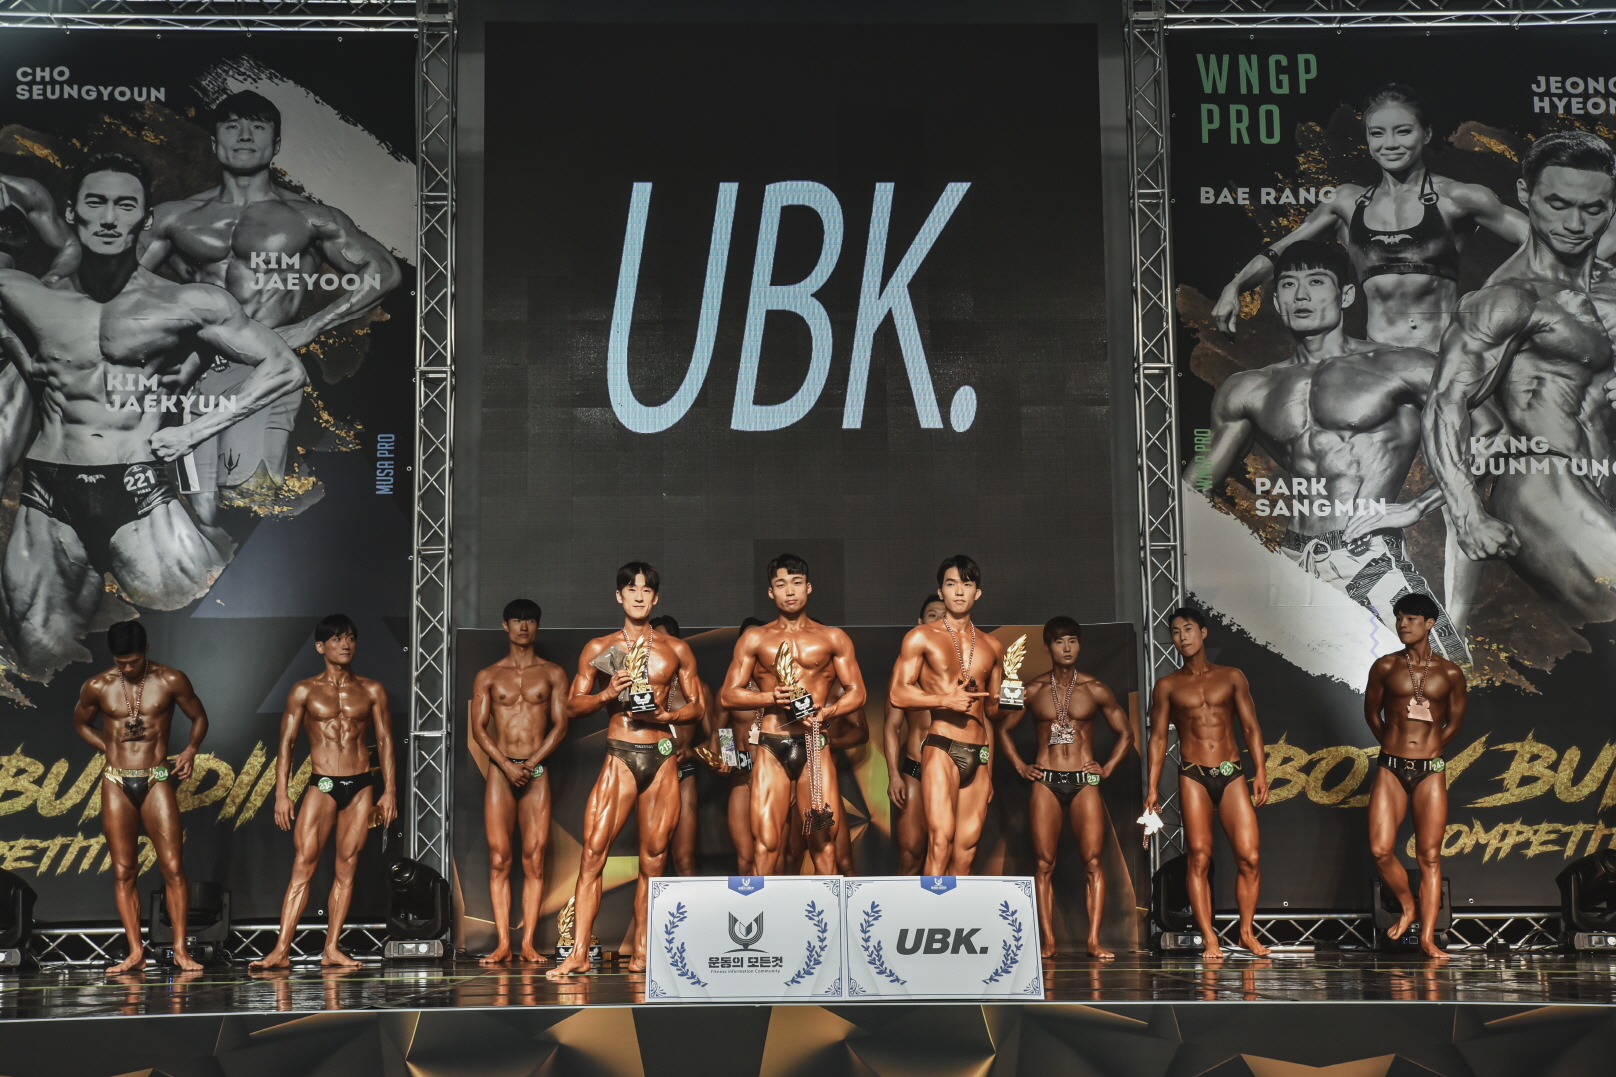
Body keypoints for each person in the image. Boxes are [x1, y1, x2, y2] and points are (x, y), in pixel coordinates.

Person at [0, 152, 307, 678]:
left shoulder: (188, 302)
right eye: (95, 203)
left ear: (144, 219)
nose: (108, 218)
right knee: (36, 653)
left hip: (137, 487)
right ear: (72, 213)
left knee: (203, 629)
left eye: (125, 205)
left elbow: (283, 368)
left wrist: (195, 431)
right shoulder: (22, 294)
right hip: (47, 492)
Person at [1193, 240, 1469, 661]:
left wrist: (1418, 507)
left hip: (1368, 555)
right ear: (1276, 301)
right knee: (1295, 693)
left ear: (1346, 295)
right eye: (1288, 284)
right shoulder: (1248, 388)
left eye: (1316, 282)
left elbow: (1489, 438)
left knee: (1437, 680)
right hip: (1290, 559)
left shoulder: (1402, 366)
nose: (1301, 295)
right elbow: (1196, 482)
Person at [139, 91, 401, 524]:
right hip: (193, 370)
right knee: (200, 509)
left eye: (257, 127)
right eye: (232, 126)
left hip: (264, 368)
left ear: (276, 144)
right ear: (214, 141)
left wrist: (312, 326)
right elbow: (121, 285)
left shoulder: (308, 217)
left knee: (247, 497)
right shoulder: (173, 216)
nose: (245, 136)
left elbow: (384, 271)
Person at [1425, 130, 1616, 625]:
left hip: (1604, 484)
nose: (1574, 223)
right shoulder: (1508, 298)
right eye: (1558, 204)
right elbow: (1446, 401)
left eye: (1593, 209)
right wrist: (1466, 512)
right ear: (1525, 194)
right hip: (1541, 483)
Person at [1212, 83, 1524, 354]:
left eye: (1403, 131)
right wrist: (1235, 285)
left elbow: (1540, 241)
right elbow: (1282, 251)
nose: (1390, 144)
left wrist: (1495, 290)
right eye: (1378, 134)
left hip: (1441, 361)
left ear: (1426, 133)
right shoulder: (1347, 202)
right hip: (1377, 366)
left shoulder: (1458, 197)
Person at [549, 563, 703, 978]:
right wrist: (606, 695)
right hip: (620, 754)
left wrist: (665, 715)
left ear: (656, 598)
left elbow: (699, 707)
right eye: (631, 589)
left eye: (646, 590)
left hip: (662, 756)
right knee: (592, 854)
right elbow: (571, 706)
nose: (638, 596)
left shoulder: (676, 649)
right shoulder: (600, 647)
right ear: (619, 596)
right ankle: (579, 953)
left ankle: (642, 954)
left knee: (654, 859)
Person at [252, 614, 399, 969]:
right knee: (303, 865)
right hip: (325, 783)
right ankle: (280, 951)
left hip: (361, 785)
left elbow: (384, 742)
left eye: (350, 638)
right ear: (321, 647)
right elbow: (286, 744)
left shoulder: (372, 690)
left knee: (347, 867)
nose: (345, 645)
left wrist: (390, 791)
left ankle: (331, 949)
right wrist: (281, 794)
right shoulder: (304, 691)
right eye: (336, 639)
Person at [72, 620, 208, 973]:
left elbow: (199, 717)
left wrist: (191, 749)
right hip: (116, 781)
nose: (128, 668)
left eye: (133, 661)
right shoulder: (98, 685)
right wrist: (109, 747)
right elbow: (81, 724)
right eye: (121, 663)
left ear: (146, 650)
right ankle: (135, 952)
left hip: (156, 777)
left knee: (173, 867)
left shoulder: (170, 679)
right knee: (123, 871)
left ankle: (180, 950)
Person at [720, 554, 868, 876]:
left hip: (815, 745)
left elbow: (858, 691)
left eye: (796, 583)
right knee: (766, 844)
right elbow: (728, 695)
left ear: (808, 587)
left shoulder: (833, 638)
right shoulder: (755, 638)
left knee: (823, 844)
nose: (789, 591)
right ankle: (761, 909)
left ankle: (826, 910)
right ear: (770, 592)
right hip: (772, 744)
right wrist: (768, 697)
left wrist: (830, 710)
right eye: (781, 584)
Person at [996, 617, 1132, 959]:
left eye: (1072, 640)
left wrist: (1106, 768)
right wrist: (1020, 765)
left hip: (1084, 781)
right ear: (1048, 647)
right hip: (1047, 781)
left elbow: (1126, 733)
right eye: (1060, 642)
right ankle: (1049, 942)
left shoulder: (1095, 688)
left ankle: (1093, 942)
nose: (1067, 648)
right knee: (1044, 863)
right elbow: (1001, 728)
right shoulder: (1032, 689)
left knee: (1093, 862)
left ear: (1080, 645)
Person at [1144, 608, 1271, 959]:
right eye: (1175, 632)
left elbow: (1250, 726)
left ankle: (1246, 932)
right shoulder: (1167, 686)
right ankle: (1209, 938)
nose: (1182, 637)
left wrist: (1260, 771)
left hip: (1231, 773)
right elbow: (1158, 738)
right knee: (1198, 857)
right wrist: (1152, 787)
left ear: (1203, 633)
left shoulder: (1231, 677)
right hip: (1193, 775)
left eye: (1188, 629)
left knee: (1250, 857)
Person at [1363, 593, 1467, 959]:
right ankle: (1408, 905)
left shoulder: (1450, 673)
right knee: (1380, 849)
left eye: (1410, 619)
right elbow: (1372, 714)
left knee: (1430, 857)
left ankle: (1427, 938)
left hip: (1430, 771)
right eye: (1399, 618)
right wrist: (1394, 746)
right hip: (1391, 767)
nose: (1403, 624)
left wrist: (1430, 748)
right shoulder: (1385, 666)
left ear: (1429, 624)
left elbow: (1454, 722)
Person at [889, 555, 1006, 876]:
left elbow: (992, 711)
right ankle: (931, 909)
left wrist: (1011, 702)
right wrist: (945, 700)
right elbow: (898, 693)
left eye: (966, 584)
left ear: (977, 593)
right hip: (941, 745)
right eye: (951, 584)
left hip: (979, 753)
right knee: (940, 841)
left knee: (966, 851)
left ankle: (955, 910)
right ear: (941, 592)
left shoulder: (993, 646)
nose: (958, 591)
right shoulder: (921, 637)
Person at [470, 598, 569, 965]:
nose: (523, 626)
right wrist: (506, 765)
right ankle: (501, 944)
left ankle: (527, 944)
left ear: (537, 626)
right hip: (501, 772)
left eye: (529, 621)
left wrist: (530, 763)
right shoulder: (488, 675)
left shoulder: (553, 673)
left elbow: (561, 725)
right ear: (505, 625)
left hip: (536, 771)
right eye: (516, 620)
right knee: (499, 858)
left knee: (534, 859)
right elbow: (478, 728)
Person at [882, 595, 946, 874]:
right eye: (933, 615)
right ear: (920, 623)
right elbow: (892, 726)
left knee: (947, 852)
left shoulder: (965, 670)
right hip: (915, 769)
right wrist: (893, 775)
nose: (939, 621)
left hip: (953, 769)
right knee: (910, 854)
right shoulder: (905, 673)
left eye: (945, 616)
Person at [705, 616, 767, 874]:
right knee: (745, 858)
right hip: (741, 778)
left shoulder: (781, 686)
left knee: (772, 857)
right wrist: (726, 760)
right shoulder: (728, 690)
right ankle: (749, 900)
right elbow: (721, 732)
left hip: (773, 779)